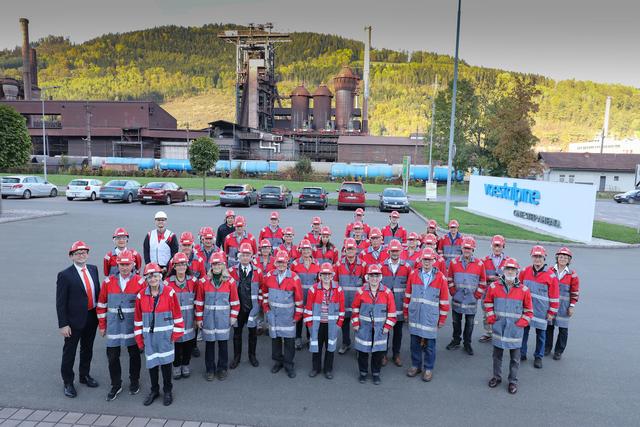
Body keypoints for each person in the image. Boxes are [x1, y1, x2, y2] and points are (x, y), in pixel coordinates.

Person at [134, 263, 184, 406]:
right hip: (149, 339)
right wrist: (139, 340)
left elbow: (177, 315)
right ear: (146, 279)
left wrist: (175, 334)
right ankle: (154, 390)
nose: (153, 279)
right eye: (150, 277)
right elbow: (137, 319)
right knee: (152, 365)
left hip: (165, 338)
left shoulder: (169, 292)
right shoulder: (141, 295)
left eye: (155, 276)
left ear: (160, 277)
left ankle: (167, 391)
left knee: (166, 366)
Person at [96, 250, 144, 401]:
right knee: (112, 357)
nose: (124, 267)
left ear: (133, 265)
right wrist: (102, 325)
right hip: (114, 325)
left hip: (132, 326)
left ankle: (134, 381)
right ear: (117, 265)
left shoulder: (140, 281)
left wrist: (142, 329)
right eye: (122, 264)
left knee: (134, 355)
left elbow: (144, 307)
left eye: (127, 264)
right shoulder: (108, 282)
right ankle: (116, 384)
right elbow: (101, 304)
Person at [56, 241, 101, 398]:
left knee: (87, 349)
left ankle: (84, 375)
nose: (81, 255)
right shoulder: (65, 275)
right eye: (77, 253)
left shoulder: (94, 270)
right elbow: (60, 302)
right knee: (70, 351)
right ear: (71, 256)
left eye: (84, 252)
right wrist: (63, 324)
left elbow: (98, 293)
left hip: (91, 316)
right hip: (73, 321)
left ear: (87, 254)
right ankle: (68, 382)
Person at [485, 258, 533, 395]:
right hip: (499, 327)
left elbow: (529, 310)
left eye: (513, 269)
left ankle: (513, 381)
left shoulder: (524, 290)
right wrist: (490, 316)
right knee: (497, 356)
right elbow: (487, 302)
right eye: (508, 269)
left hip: (515, 330)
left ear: (517, 272)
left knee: (515, 358)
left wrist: (521, 323)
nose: (510, 271)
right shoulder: (494, 287)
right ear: (503, 271)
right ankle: (496, 377)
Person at [404, 248, 450, 382]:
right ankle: (415, 365)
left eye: (429, 260)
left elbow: (444, 300)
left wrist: (442, 319)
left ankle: (428, 368)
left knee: (430, 345)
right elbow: (407, 295)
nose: (427, 262)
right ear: (421, 260)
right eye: (425, 259)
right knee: (414, 343)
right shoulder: (413, 274)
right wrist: (406, 312)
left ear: (434, 261)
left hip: (430, 316)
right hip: (415, 315)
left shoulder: (440, 277)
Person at [195, 252, 239, 381]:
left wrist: (233, 316)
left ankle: (222, 368)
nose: (217, 266)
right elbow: (199, 301)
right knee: (209, 344)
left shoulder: (230, 281)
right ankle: (210, 369)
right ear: (211, 265)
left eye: (219, 263)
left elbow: (235, 302)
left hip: (223, 318)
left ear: (223, 265)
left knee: (223, 344)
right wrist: (198, 318)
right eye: (214, 264)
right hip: (208, 318)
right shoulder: (203, 281)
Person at [352, 264, 397, 385]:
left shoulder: (387, 293)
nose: (374, 279)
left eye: (377, 276)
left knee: (378, 352)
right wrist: (355, 323)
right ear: (367, 277)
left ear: (380, 277)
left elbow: (392, 313)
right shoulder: (360, 292)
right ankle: (363, 373)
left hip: (380, 329)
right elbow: (355, 308)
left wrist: (387, 327)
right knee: (363, 351)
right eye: (372, 276)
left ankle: (376, 373)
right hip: (363, 328)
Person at [262, 250, 304, 378]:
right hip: (273, 315)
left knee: (289, 341)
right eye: (279, 262)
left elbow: (299, 299)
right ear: (275, 262)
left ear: (287, 263)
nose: (281, 265)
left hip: (288, 316)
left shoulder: (294, 278)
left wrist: (297, 316)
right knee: (275, 340)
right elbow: (264, 294)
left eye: (283, 262)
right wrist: (266, 309)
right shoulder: (269, 276)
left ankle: (289, 365)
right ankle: (278, 362)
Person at [519, 245, 560, 368]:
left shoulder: (551, 276)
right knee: (524, 333)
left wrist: (551, 312)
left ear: (544, 258)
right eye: (535, 256)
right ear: (532, 257)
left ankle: (538, 357)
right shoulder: (524, 271)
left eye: (540, 257)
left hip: (542, 312)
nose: (537, 259)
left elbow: (554, 296)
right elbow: (518, 289)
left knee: (541, 335)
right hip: (526, 310)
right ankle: (522, 353)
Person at [446, 237, 487, 356]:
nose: (466, 250)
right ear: (461, 248)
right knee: (456, 322)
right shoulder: (454, 262)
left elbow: (482, 282)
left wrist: (477, 295)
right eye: (465, 248)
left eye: (469, 248)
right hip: (457, 299)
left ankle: (467, 343)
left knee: (469, 323)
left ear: (473, 249)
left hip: (471, 300)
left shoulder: (479, 264)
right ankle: (456, 340)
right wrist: (453, 292)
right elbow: (450, 279)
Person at [304, 262, 345, 379]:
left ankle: (328, 369)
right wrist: (310, 325)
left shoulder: (338, 289)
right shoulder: (313, 289)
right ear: (320, 276)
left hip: (332, 325)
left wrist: (338, 325)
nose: (326, 277)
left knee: (330, 347)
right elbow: (308, 309)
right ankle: (315, 368)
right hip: (317, 325)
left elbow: (342, 311)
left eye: (329, 274)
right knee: (316, 346)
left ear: (332, 275)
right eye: (323, 274)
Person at [228, 243, 263, 369]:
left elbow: (261, 290)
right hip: (238, 309)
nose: (245, 257)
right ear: (239, 256)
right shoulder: (231, 271)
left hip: (252, 308)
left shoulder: (258, 272)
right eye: (243, 255)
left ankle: (252, 356)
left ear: (252, 257)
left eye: (248, 255)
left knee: (252, 333)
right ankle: (237, 357)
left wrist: (258, 306)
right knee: (237, 334)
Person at [165, 252, 199, 380]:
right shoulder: (167, 283)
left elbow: (198, 300)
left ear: (187, 265)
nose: (181, 267)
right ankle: (176, 365)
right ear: (173, 266)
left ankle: (186, 364)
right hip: (175, 321)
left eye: (183, 264)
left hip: (190, 319)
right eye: (178, 264)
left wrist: (197, 318)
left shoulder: (194, 282)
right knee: (176, 344)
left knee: (188, 344)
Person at [380, 239, 411, 367]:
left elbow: (410, 288)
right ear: (389, 251)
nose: (394, 253)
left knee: (398, 332)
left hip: (399, 305)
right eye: (392, 251)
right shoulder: (381, 266)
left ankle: (396, 354)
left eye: (396, 251)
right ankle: (383, 354)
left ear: (400, 251)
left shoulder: (407, 267)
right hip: (385, 306)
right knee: (384, 331)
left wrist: (407, 307)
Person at [334, 238, 367, 354]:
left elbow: (366, 285)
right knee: (344, 323)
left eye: (352, 248)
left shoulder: (363, 265)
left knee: (359, 325)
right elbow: (335, 283)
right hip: (344, 300)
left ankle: (359, 347)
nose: (350, 251)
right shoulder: (338, 264)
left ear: (356, 249)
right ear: (345, 250)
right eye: (348, 249)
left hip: (358, 302)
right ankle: (346, 343)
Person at [546, 247, 579, 360]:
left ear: (569, 260)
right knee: (549, 328)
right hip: (551, 305)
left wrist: (572, 306)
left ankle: (559, 351)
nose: (563, 259)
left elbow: (575, 292)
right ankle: (547, 347)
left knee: (563, 329)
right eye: (561, 257)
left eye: (565, 257)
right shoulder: (549, 271)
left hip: (564, 307)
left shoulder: (572, 275)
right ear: (557, 258)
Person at [479, 235, 509, 343]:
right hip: (487, 293)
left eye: (499, 246)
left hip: (501, 294)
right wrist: (489, 278)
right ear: (491, 246)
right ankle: (488, 332)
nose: (497, 248)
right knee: (486, 314)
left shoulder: (508, 262)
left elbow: (513, 278)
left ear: (503, 247)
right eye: (495, 246)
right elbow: (479, 277)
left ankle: (498, 333)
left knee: (500, 314)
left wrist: (501, 279)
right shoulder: (484, 261)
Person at [291, 239, 321, 350]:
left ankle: (309, 338)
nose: (306, 251)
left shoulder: (317, 264)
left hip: (312, 298)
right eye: (304, 249)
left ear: (311, 250)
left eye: (308, 249)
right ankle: (297, 338)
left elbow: (319, 282)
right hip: (299, 296)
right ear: (301, 250)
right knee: (298, 317)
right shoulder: (295, 264)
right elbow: (291, 280)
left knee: (310, 318)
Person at [143, 211, 179, 276]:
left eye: (163, 220)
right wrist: (148, 265)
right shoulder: (149, 235)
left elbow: (174, 253)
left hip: (167, 268)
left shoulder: (171, 235)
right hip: (153, 267)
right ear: (155, 221)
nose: (160, 222)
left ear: (166, 221)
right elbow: (146, 251)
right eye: (158, 220)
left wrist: (167, 267)